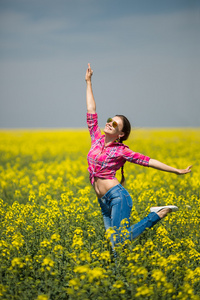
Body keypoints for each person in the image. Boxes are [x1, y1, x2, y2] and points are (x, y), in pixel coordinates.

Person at [85, 63, 192, 253]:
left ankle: (158, 214)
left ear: (121, 134)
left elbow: (148, 161)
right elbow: (92, 110)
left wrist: (176, 170)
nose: (109, 124)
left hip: (117, 197)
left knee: (119, 241)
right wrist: (88, 82)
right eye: (110, 121)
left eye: (115, 124)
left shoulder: (122, 151)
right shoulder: (96, 138)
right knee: (114, 246)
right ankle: (116, 276)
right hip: (103, 201)